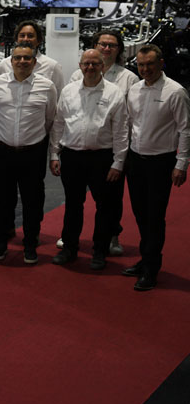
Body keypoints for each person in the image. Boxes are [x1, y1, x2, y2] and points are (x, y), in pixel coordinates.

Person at [49, 49, 128, 271]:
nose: (90, 68)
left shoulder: (114, 93)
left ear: (102, 66)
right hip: (72, 156)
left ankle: (100, 251)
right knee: (73, 205)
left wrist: (118, 162)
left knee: (104, 207)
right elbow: (58, 123)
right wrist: (54, 154)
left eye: (95, 64)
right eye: (86, 64)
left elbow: (122, 131)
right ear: (80, 66)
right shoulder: (69, 91)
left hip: (102, 158)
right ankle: (70, 248)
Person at [122, 44, 190, 291]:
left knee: (154, 217)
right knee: (141, 214)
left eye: (150, 64)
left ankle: (152, 268)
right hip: (136, 160)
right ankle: (146, 258)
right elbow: (130, 124)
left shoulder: (176, 92)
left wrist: (181, 164)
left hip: (162, 163)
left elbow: (186, 130)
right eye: (141, 65)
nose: (145, 69)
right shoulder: (134, 89)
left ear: (161, 64)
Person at [65, 29, 138, 256]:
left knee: (110, 200)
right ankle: (69, 241)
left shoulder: (129, 78)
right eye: (102, 44)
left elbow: (130, 118)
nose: (106, 48)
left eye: (112, 45)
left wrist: (120, 157)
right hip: (78, 149)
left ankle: (111, 236)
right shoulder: (76, 77)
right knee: (74, 201)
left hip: (111, 148)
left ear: (119, 50)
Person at [0, 43, 57, 263]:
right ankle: (1, 242)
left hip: (33, 152)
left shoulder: (47, 87)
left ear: (35, 62)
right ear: (10, 60)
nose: (22, 62)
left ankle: (30, 244)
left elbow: (50, 120)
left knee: (32, 200)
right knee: (4, 199)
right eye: (17, 58)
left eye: (27, 58)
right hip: (3, 151)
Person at [0, 20, 65, 92]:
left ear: (38, 40)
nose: (26, 39)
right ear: (16, 40)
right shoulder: (5, 64)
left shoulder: (52, 67)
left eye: (30, 36)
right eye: (22, 36)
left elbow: (59, 97)